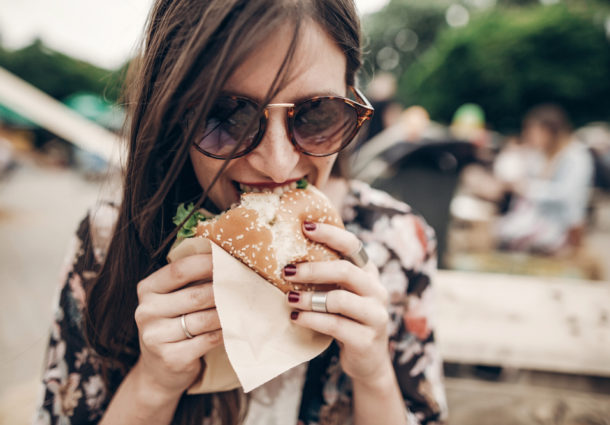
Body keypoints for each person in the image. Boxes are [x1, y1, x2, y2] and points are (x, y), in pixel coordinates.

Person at [33, 1, 447, 424]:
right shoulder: (107, 242)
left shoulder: (400, 242)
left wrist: (375, 373)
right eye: (227, 116)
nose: (277, 164)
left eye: (317, 113)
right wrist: (154, 384)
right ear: (172, 113)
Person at [496, 104, 594, 254]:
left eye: (532, 132)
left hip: (562, 228)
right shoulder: (543, 155)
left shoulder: (576, 156)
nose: (528, 136)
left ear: (549, 131)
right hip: (540, 222)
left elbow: (567, 196)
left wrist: (527, 188)